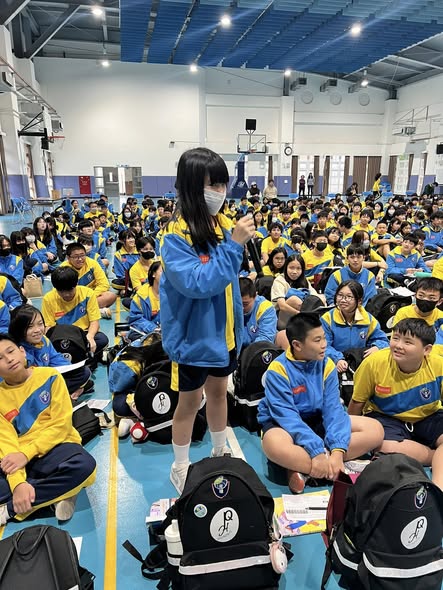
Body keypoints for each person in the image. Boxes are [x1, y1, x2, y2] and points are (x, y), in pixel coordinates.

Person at [160, 147, 256, 494]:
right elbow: (199, 284)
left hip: (224, 335)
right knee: (188, 404)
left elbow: (229, 280)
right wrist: (234, 246)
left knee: (218, 394)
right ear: (190, 186)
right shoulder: (174, 237)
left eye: (222, 184)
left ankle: (219, 450)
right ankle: (180, 466)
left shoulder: (224, 224)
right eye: (212, 184)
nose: (220, 192)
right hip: (193, 340)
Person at [257, 313, 384, 494]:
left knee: (375, 430)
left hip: (318, 420)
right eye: (317, 340)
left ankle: (307, 467)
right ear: (297, 345)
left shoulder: (327, 364)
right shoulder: (278, 370)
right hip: (285, 425)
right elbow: (287, 417)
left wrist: (338, 451)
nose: (324, 344)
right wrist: (316, 450)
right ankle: (333, 465)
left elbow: (333, 410)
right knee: (273, 446)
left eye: (324, 338)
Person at [0, 333, 96, 524]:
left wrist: (26, 454)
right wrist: (18, 483)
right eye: (0, 358)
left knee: (85, 466)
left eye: (10, 351)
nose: (9, 359)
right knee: (9, 483)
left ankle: (10, 509)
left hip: (56, 448)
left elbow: (61, 426)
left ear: (22, 352)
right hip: (20, 459)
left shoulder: (49, 376)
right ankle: (62, 492)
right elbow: (7, 444)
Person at [348, 319, 443, 490]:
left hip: (428, 415)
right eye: (395, 338)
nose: (398, 345)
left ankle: (439, 490)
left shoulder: (438, 365)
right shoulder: (373, 363)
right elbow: (357, 402)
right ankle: (435, 456)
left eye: (408, 342)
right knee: (383, 446)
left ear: (427, 350)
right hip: (386, 417)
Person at [9, 304, 92, 400]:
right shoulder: (16, 351)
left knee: (84, 372)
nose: (37, 330)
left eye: (40, 324)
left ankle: (64, 394)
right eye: (30, 327)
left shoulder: (44, 340)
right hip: (30, 388)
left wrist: (70, 369)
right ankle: (70, 394)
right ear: (18, 329)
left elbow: (55, 358)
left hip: (48, 378)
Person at [41, 266, 109, 362]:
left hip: (83, 334)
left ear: (76, 283)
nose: (66, 294)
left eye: (70, 290)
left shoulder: (88, 294)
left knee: (102, 339)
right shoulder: (48, 299)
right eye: (61, 291)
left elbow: (94, 322)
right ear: (55, 288)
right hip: (61, 336)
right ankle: (84, 357)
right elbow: (49, 327)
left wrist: (90, 336)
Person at [321, 280, 389, 370]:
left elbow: (383, 340)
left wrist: (377, 347)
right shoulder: (327, 319)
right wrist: (337, 359)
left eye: (349, 297)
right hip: (335, 363)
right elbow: (323, 345)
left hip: (359, 361)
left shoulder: (368, 319)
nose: (343, 300)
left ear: (359, 301)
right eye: (340, 295)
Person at [62, 242, 116, 318]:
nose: (80, 259)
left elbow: (104, 284)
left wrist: (90, 296)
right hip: (73, 299)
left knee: (111, 296)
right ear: (68, 258)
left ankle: (81, 311)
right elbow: (63, 292)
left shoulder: (92, 263)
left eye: (82, 255)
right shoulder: (63, 269)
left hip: (92, 295)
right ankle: (93, 311)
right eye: (76, 257)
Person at [127, 261, 162, 340]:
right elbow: (136, 319)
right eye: (162, 271)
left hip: (168, 332)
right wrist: (154, 329)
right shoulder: (142, 296)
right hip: (148, 331)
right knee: (134, 336)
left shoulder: (174, 294)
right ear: (153, 274)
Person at [239, 277, 277, 347]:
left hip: (255, 349)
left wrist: (248, 351)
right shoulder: (226, 306)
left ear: (255, 296)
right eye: (238, 304)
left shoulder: (266, 308)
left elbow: (266, 338)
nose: (241, 308)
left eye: (245, 304)